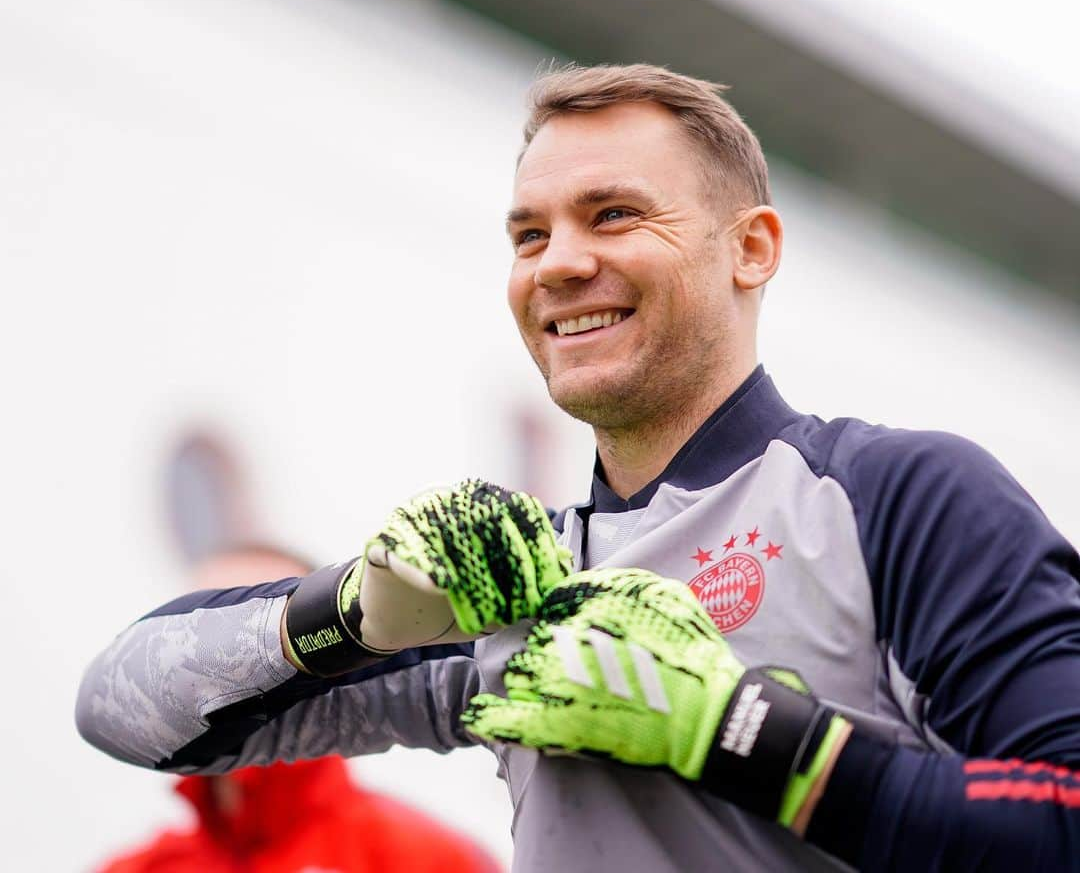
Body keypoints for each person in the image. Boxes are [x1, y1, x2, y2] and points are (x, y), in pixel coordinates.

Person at [78, 65, 1080, 871]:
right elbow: (123, 709)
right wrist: (348, 612)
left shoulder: (894, 497)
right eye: (529, 233)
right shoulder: (517, 584)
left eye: (612, 215)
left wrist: (739, 732)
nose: (557, 262)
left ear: (753, 249)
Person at [93, 544, 501, 873]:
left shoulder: (429, 861)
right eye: (197, 642)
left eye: (258, 633)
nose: (220, 666)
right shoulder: (137, 868)